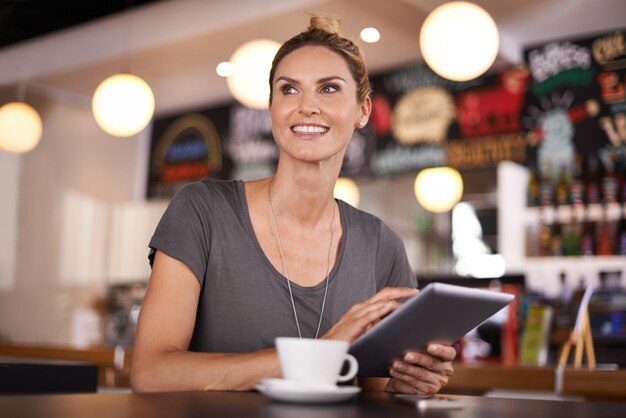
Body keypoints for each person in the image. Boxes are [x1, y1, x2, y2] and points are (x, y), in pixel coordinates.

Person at [131, 15, 456, 394]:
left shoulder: (381, 246)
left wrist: (410, 381)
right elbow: (151, 373)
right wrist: (320, 354)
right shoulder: (202, 211)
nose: (307, 106)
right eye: (288, 90)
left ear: (363, 111)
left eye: (329, 89)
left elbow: (374, 392)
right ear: (271, 110)